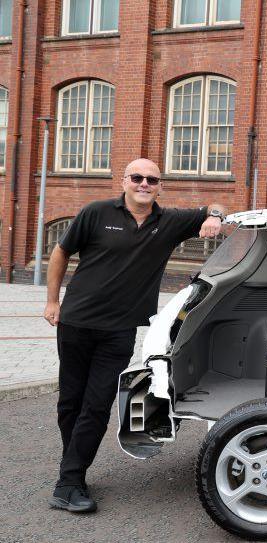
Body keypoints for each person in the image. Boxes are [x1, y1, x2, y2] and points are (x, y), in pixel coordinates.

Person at [44, 158, 226, 513]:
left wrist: (214, 216)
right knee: (70, 403)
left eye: (152, 179)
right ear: (124, 181)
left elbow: (216, 205)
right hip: (76, 323)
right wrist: (52, 301)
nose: (144, 183)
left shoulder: (169, 221)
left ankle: (68, 482)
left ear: (160, 186)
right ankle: (74, 467)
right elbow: (61, 251)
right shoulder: (95, 212)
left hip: (118, 331)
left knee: (96, 405)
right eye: (137, 177)